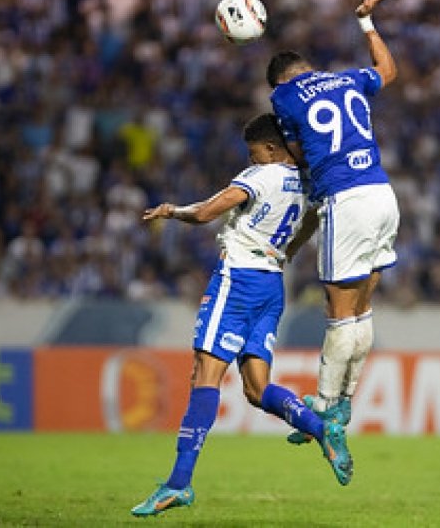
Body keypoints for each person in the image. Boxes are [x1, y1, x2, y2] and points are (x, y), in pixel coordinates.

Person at [130, 114, 353, 518]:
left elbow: (206, 213)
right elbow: (305, 229)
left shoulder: (261, 175)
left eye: (254, 152)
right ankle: (323, 429)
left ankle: (178, 484)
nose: (252, 158)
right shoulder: (306, 183)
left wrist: (173, 211)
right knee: (256, 388)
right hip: (272, 284)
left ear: (270, 149)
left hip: (237, 281)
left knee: (204, 375)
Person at [266, 0, 398, 433]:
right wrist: (366, 22)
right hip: (383, 194)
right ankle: (343, 401)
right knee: (362, 308)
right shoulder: (350, 78)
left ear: (282, 80)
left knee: (338, 309)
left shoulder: (284, 97)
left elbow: (298, 152)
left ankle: (323, 406)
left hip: (347, 198)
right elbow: (389, 70)